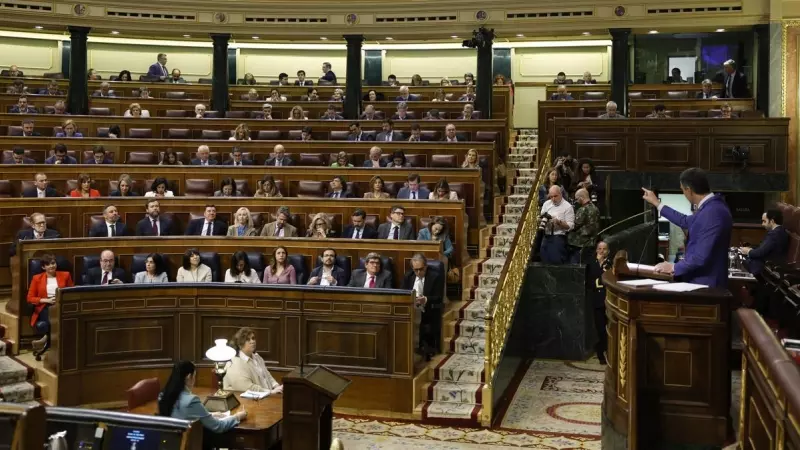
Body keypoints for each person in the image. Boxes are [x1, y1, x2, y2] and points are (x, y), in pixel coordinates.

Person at [642, 167, 732, 288]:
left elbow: (700, 257)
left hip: (706, 286)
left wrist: (673, 267)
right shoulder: (711, 207)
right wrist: (657, 203)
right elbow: (684, 221)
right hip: (703, 282)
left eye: (682, 190)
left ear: (688, 190)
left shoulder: (712, 212)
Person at [157, 360, 246, 433]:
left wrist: (210, 415)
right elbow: (218, 426)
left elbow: (183, 415)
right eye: (194, 376)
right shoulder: (191, 400)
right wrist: (237, 417)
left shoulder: (162, 396)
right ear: (189, 377)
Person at [26, 253, 73, 357]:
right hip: (44, 306)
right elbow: (30, 298)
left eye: (53, 263)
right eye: (48, 264)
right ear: (43, 267)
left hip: (62, 305)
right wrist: (45, 300)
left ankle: (45, 340)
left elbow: (71, 292)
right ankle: (51, 345)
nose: (52, 266)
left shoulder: (65, 275)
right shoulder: (37, 278)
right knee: (52, 317)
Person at [402, 254, 444, 360]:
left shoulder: (435, 276)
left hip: (428, 308)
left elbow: (438, 297)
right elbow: (402, 293)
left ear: (425, 266)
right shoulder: (409, 276)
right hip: (411, 308)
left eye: (421, 269)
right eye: (415, 270)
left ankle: (422, 349)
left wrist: (425, 299)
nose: (418, 273)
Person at [224, 328, 281, 392]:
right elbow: (248, 388)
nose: (252, 341)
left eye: (253, 338)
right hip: (250, 399)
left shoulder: (257, 357)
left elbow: (267, 376)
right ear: (240, 345)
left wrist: (277, 386)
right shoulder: (235, 363)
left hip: (267, 396)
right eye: (248, 340)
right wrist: (271, 392)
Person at [740, 209, 789, 276]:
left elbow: (761, 252)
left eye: (764, 221)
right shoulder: (780, 231)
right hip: (769, 264)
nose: (762, 224)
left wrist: (748, 251)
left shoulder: (774, 234)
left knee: (740, 259)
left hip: (767, 268)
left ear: (772, 221)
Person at [586, 241, 611, 364]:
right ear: (596, 250)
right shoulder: (591, 263)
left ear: (608, 251)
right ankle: (601, 351)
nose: (602, 251)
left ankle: (608, 350)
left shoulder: (611, 264)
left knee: (609, 327)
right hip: (597, 300)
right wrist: (598, 263)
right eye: (599, 249)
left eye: (604, 249)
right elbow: (593, 277)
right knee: (600, 328)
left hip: (609, 300)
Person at [540, 185, 575, 264]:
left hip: (558, 237)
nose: (553, 199)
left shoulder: (568, 207)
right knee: (544, 260)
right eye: (551, 196)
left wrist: (559, 222)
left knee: (556, 261)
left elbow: (570, 226)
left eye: (555, 196)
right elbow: (542, 216)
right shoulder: (546, 204)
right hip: (546, 236)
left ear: (561, 194)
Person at [568, 189, 600, 264]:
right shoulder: (595, 208)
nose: (576, 201)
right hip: (592, 242)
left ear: (581, 198)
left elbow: (574, 225)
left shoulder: (582, 209)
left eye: (576, 199)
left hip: (580, 244)